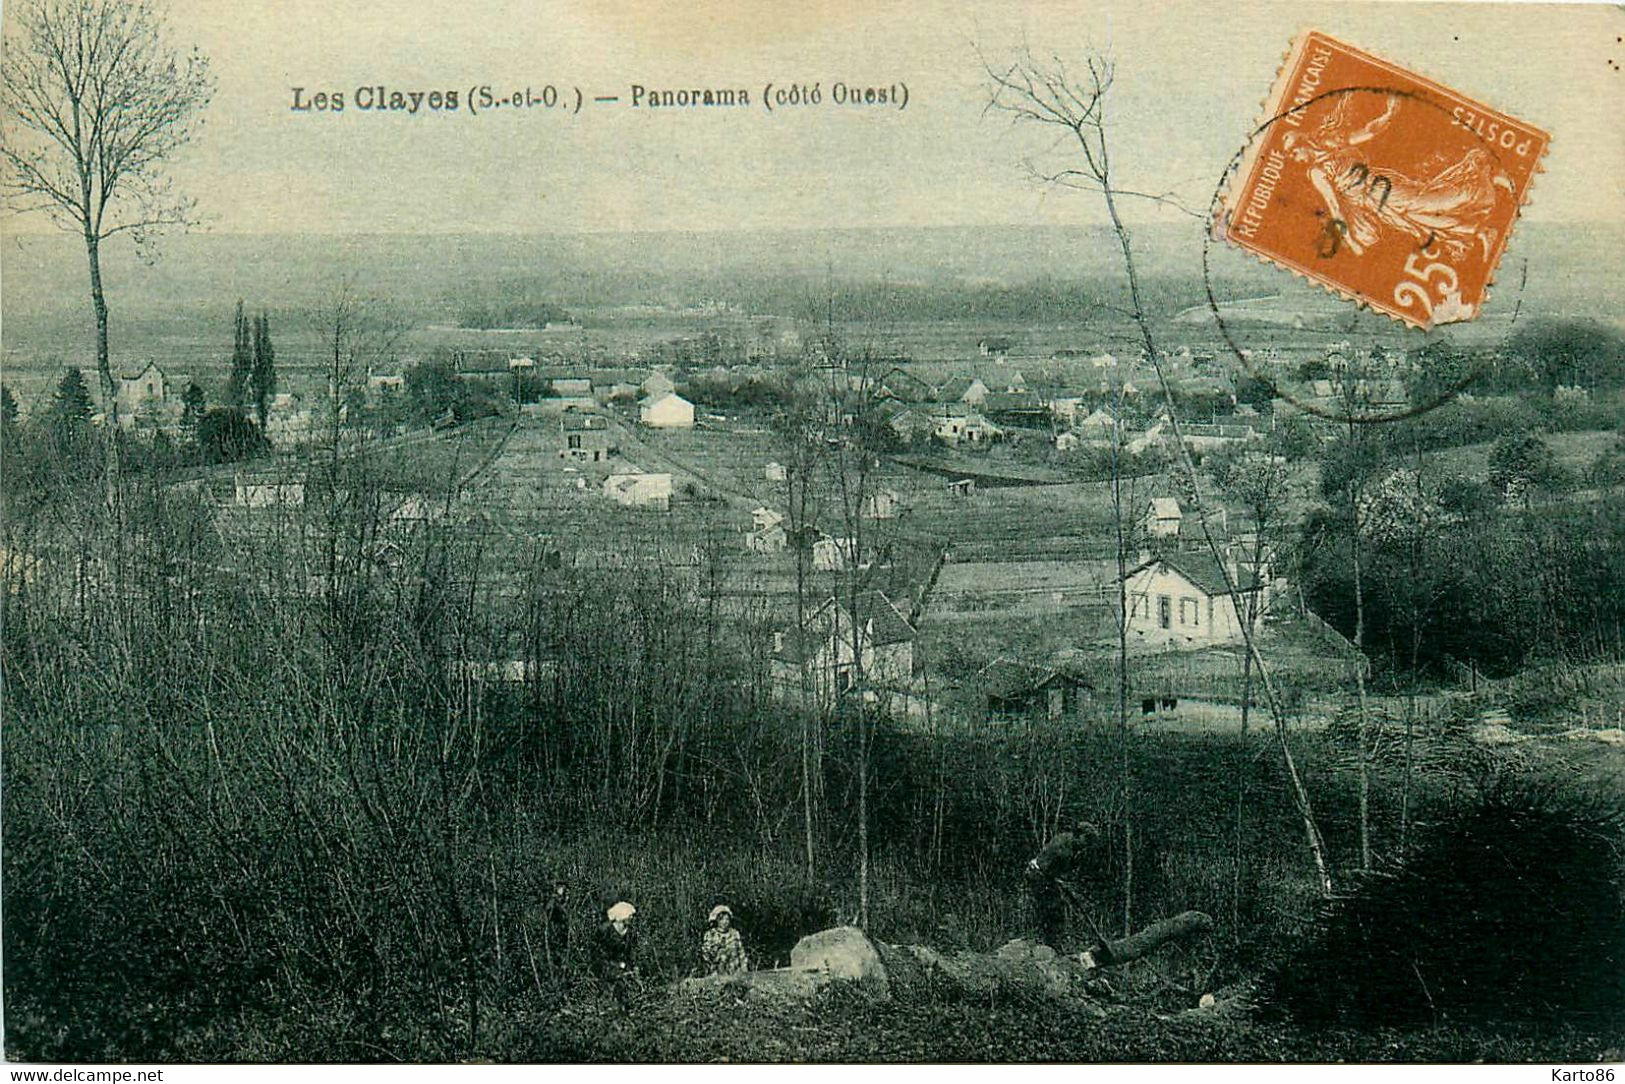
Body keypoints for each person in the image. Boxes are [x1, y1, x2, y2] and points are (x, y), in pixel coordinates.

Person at [1024, 824, 1106, 954]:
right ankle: (1049, 944)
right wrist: (1061, 882)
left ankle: (1051, 943)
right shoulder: (1063, 847)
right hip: (1039, 875)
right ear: (1079, 835)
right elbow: (1047, 869)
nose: (1086, 845)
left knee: (1055, 909)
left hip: (1044, 875)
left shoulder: (1071, 845)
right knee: (1052, 909)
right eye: (1086, 840)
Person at [591, 901, 639, 988]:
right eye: (630, 916)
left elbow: (631, 952)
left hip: (624, 968)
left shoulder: (630, 933)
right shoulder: (605, 931)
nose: (632, 918)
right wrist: (616, 965)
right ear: (622, 916)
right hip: (607, 968)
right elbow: (600, 954)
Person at [701, 904, 749, 975]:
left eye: (727, 919)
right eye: (722, 919)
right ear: (717, 920)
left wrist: (744, 966)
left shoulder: (735, 933)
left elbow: (741, 952)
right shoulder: (710, 934)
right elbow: (706, 954)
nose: (725, 922)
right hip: (716, 971)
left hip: (734, 970)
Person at [543, 881, 570, 974]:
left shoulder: (563, 899)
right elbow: (548, 911)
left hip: (563, 929)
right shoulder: (553, 900)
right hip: (555, 929)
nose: (563, 890)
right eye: (561, 888)